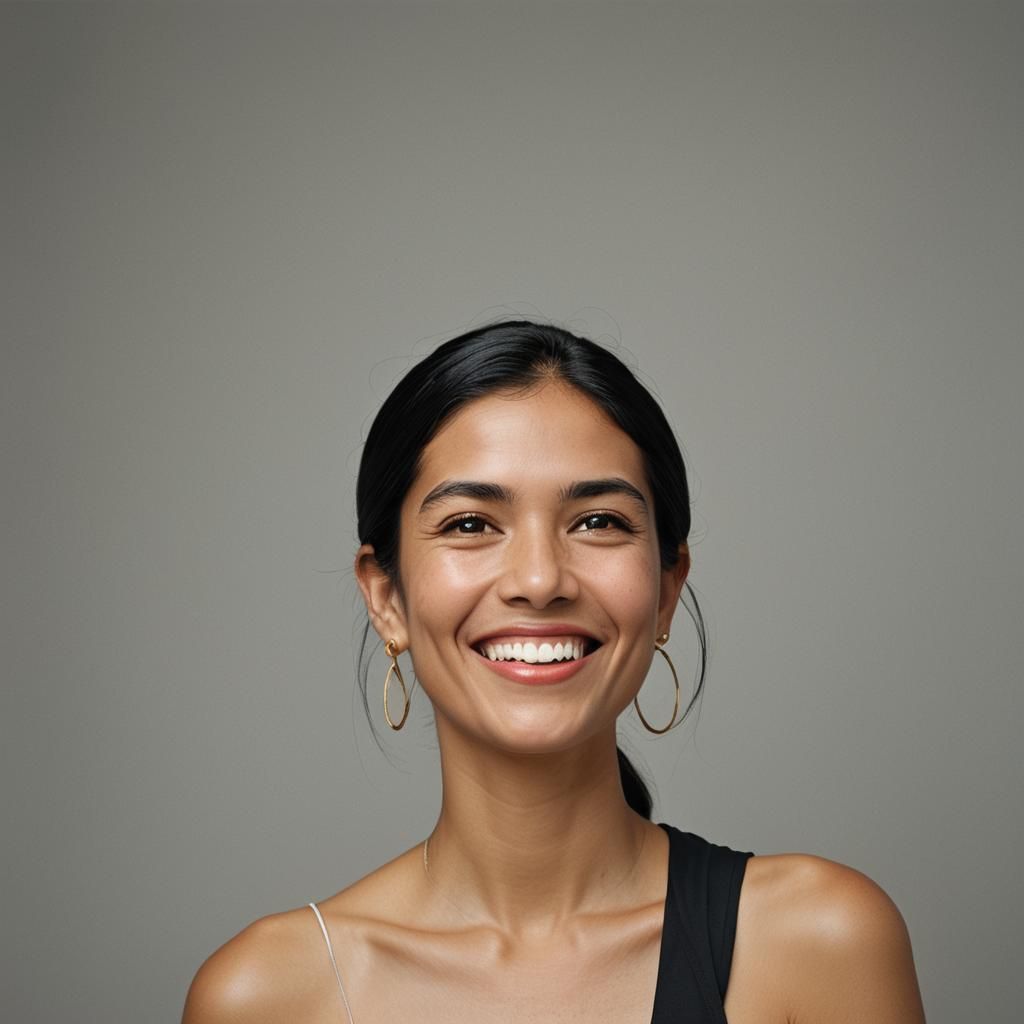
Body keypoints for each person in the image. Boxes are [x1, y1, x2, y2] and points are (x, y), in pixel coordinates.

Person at [183, 320, 927, 1023]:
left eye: (598, 521)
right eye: (470, 524)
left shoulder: (817, 942)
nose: (540, 580)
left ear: (668, 588)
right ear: (387, 599)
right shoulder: (269, 996)